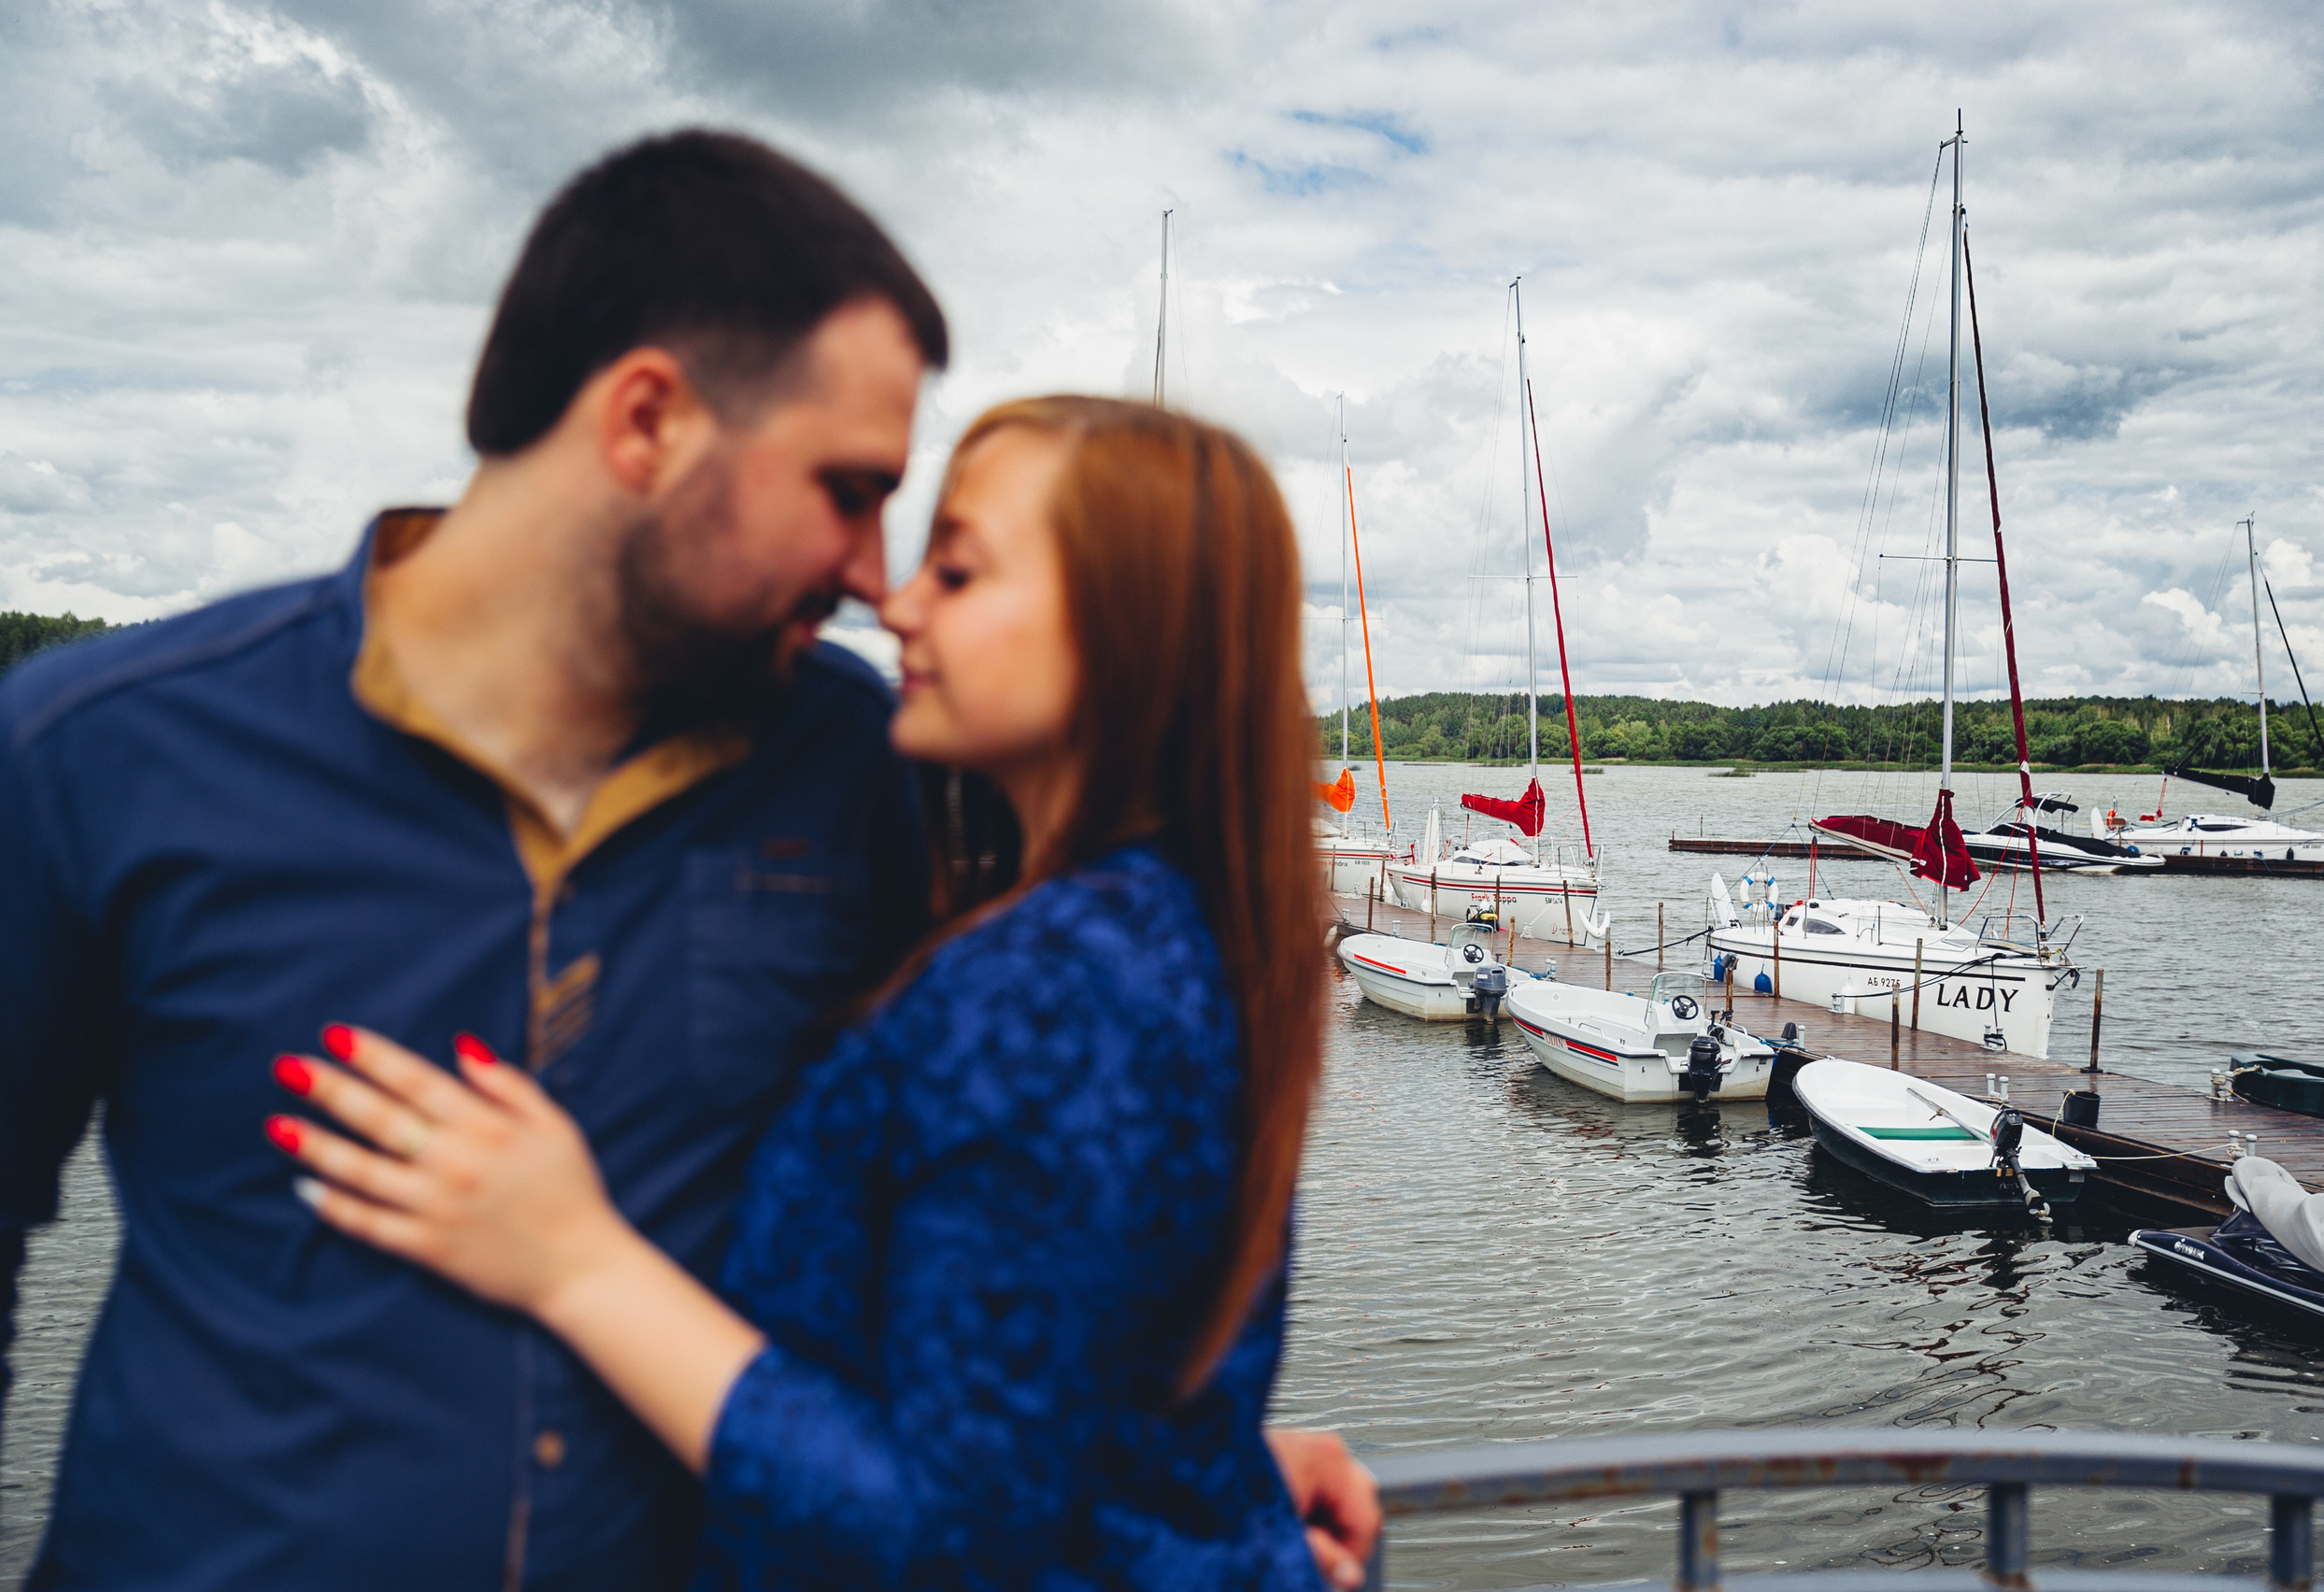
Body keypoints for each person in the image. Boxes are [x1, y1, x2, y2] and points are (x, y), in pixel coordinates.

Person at [0, 132, 1375, 1589]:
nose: (873, 578)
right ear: (647, 421)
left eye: (935, 548)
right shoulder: (92, 752)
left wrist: (1158, 1464)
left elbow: (1046, 1221)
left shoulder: (874, 770)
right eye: (848, 490)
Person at [265, 396, 1345, 1587]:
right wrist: (1183, 1463)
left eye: (958, 568)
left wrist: (574, 1261)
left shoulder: (1047, 984)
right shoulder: (1188, 932)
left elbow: (949, 1539)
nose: (897, 602)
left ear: (1123, 630)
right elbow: (1053, 1360)